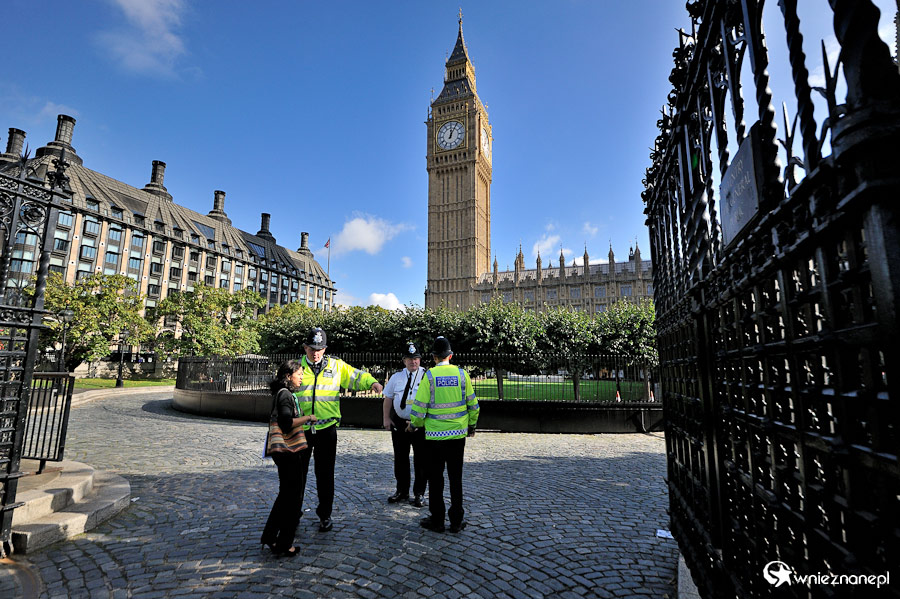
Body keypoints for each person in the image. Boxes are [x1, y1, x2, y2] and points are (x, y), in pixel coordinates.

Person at [295, 327, 384, 532]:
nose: (315, 353)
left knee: (325, 475)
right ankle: (294, 512)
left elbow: (355, 376)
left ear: (325, 349)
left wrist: (372, 382)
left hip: (326, 429)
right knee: (298, 475)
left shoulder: (336, 366)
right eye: (311, 349)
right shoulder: (295, 367)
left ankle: (325, 515)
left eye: (319, 349)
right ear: (305, 348)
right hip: (302, 429)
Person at [409, 335, 479, 533]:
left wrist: (414, 425)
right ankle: (456, 521)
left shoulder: (429, 376)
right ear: (451, 355)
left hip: (434, 437)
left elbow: (419, 408)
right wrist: (471, 426)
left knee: (436, 479)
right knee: (456, 479)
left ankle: (437, 520)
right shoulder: (462, 374)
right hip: (457, 437)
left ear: (433, 357)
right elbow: (473, 406)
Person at [261, 359, 318, 557]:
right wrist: (308, 418)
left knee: (285, 495)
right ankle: (285, 543)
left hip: (283, 453)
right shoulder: (286, 395)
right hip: (289, 452)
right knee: (293, 498)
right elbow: (286, 423)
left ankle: (269, 536)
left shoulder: (282, 394)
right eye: (299, 373)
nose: (302, 377)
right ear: (288, 375)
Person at [381, 342, 428, 507]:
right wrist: (386, 419)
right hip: (400, 423)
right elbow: (388, 398)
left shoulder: (427, 376)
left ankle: (419, 493)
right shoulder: (396, 377)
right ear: (404, 360)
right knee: (400, 458)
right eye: (409, 359)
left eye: (416, 358)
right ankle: (401, 490)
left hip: (420, 424)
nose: (413, 362)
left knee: (421, 460)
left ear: (420, 360)